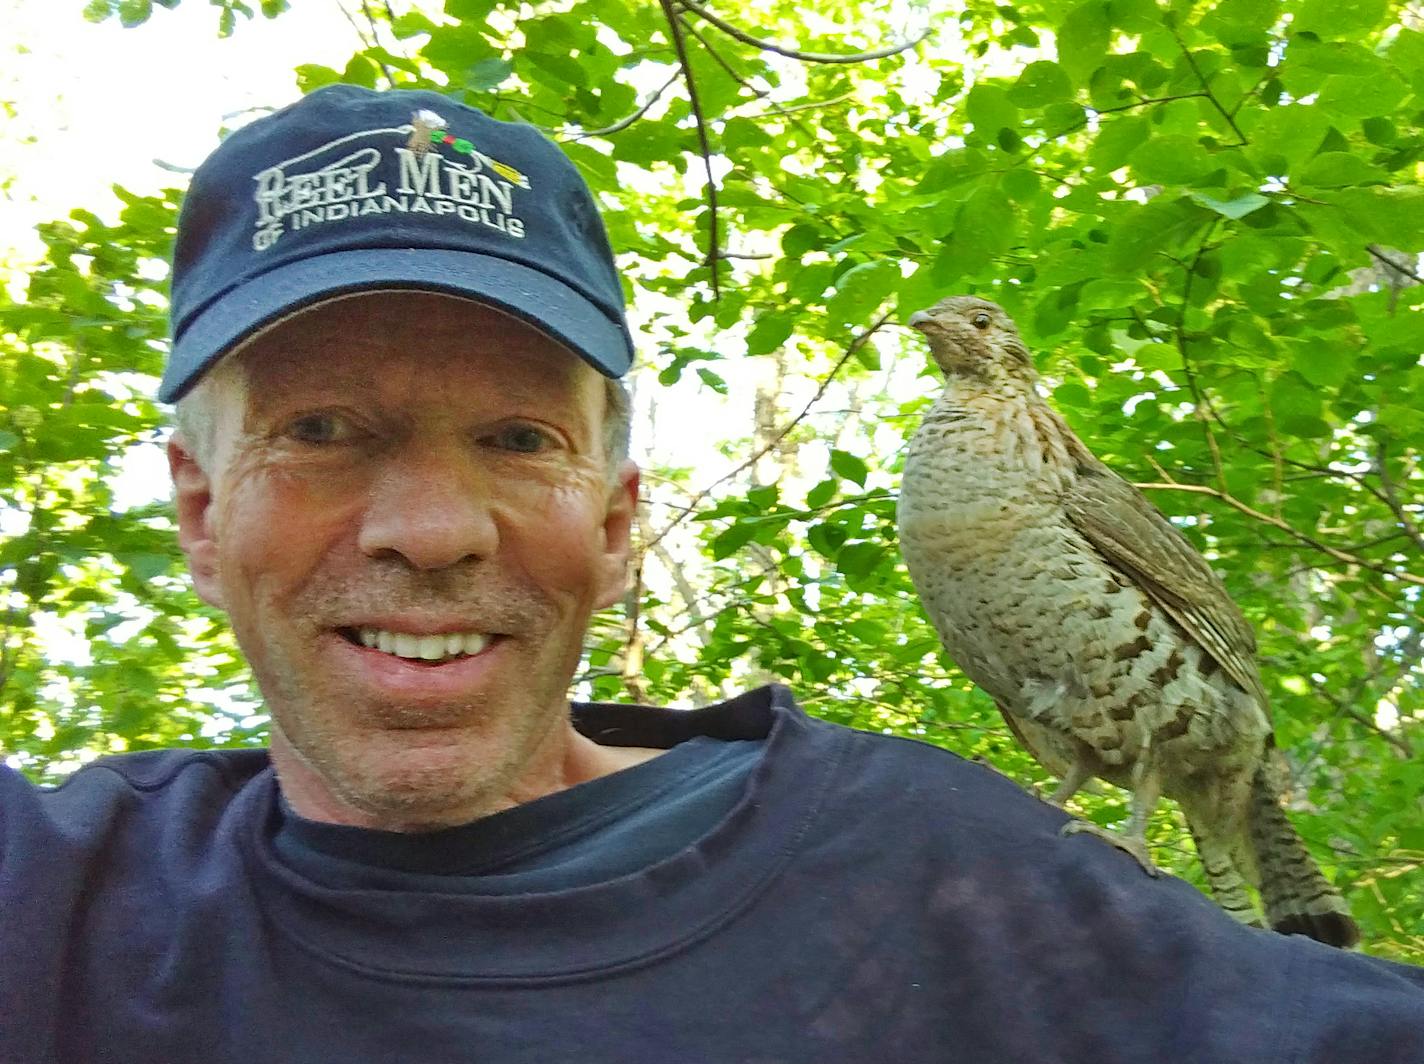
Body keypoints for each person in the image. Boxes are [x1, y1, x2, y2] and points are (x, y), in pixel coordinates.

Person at [1, 84, 1421, 1064]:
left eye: (515, 437)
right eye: (319, 432)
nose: (431, 529)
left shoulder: (943, 872)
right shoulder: (58, 906)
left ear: (619, 521)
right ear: (196, 510)